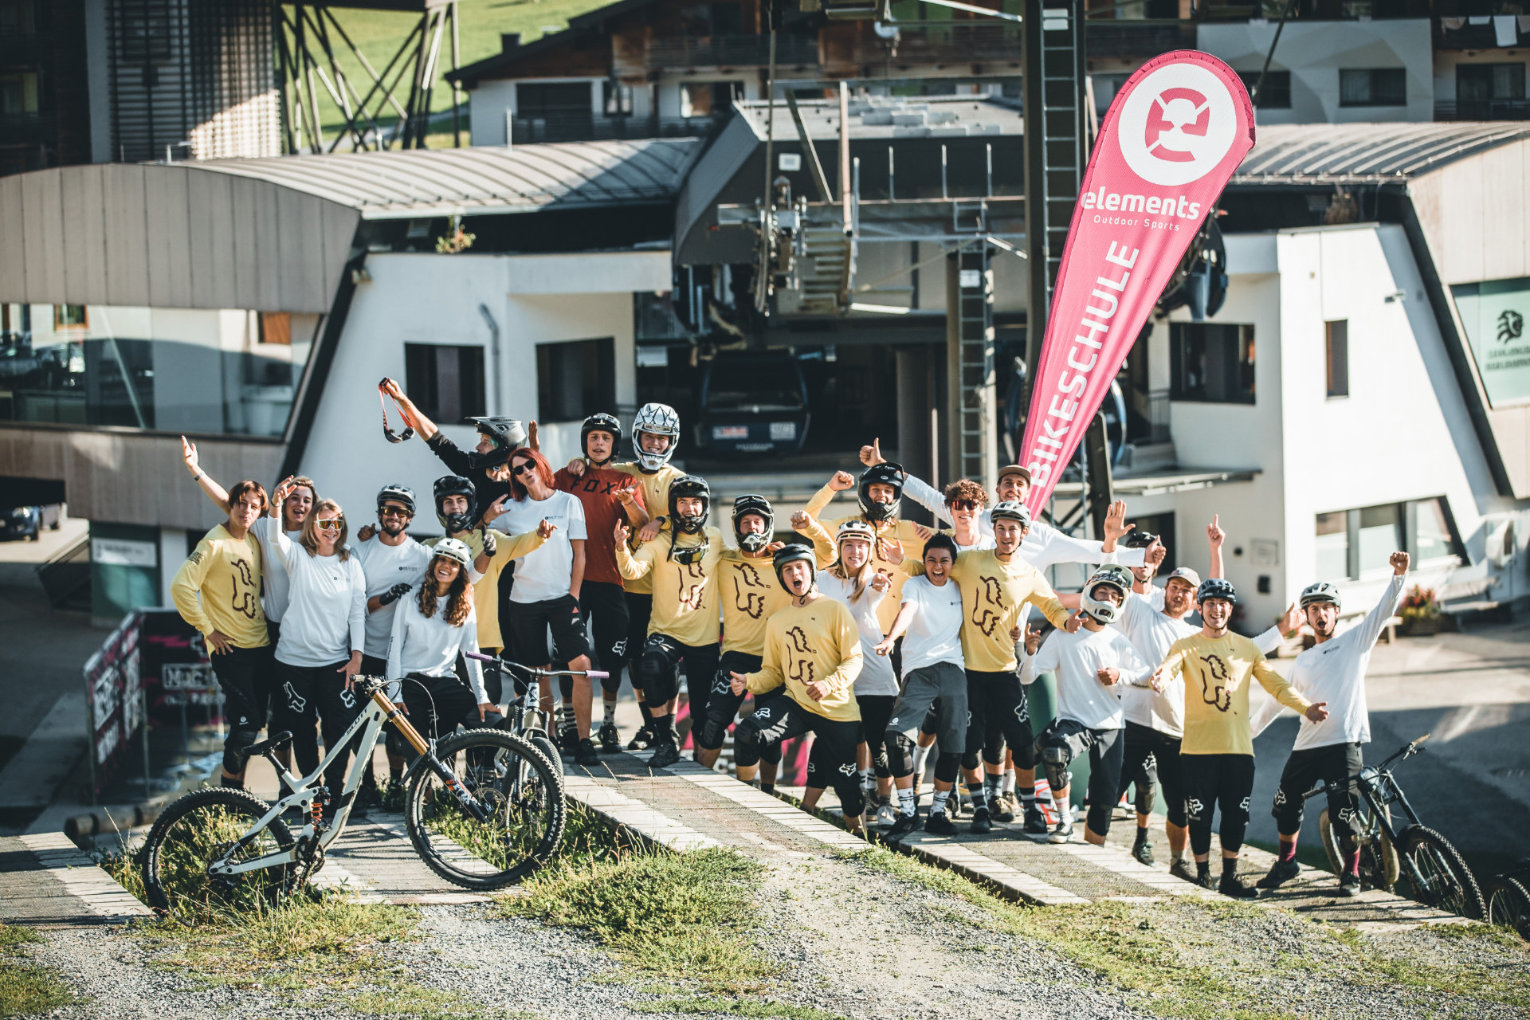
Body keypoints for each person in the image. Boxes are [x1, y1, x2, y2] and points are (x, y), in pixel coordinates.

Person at [1112, 519, 1293, 871]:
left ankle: (1178, 862)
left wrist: (1215, 550)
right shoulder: (1141, 610)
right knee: (1113, 791)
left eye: (1187, 590)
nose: (1178, 593)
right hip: (1133, 719)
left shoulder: (1198, 637)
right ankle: (1100, 852)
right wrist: (1140, 558)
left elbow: (1237, 627)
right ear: (1165, 589)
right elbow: (1135, 581)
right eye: (1174, 586)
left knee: (1179, 805)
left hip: (1177, 729)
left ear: (1197, 602)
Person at [1152, 577, 1328, 899]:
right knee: (1200, 816)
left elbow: (1276, 684)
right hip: (1197, 751)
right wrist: (1162, 678)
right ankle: (1203, 873)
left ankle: (1230, 877)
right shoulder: (1187, 645)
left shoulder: (1246, 648)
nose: (1216, 609)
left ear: (1230, 609)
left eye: (1223, 604)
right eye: (1210, 604)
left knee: (1236, 816)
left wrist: (1306, 708)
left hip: (1237, 751)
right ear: (1200, 608)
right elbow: (1170, 666)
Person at [1254, 551, 1410, 897]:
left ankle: (1350, 874)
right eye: (1314, 609)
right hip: (1307, 745)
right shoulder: (1302, 660)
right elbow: (1275, 701)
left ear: (1336, 612)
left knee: (1345, 814)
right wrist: (1245, 734)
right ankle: (1287, 863)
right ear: (1307, 617)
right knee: (1285, 804)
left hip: (1343, 742)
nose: (1320, 614)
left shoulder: (1355, 641)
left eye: (1326, 607)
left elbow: (1384, 609)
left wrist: (1398, 576)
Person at [947, 500, 1079, 835]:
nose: (1006, 534)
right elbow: (934, 568)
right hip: (969, 671)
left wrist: (1068, 622)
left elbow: (1051, 605)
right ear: (994, 530)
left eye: (1013, 528)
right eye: (1001, 527)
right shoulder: (970, 560)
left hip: (1006, 671)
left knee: (1021, 742)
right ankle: (979, 807)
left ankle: (1030, 808)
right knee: (970, 742)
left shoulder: (1029, 573)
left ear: (1023, 534)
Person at [696, 498, 835, 789]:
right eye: (745, 522)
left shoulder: (786, 563)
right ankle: (695, 792)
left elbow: (829, 554)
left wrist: (810, 526)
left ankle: (767, 793)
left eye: (757, 522)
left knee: (767, 734)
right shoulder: (724, 559)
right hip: (736, 655)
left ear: (769, 526)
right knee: (713, 723)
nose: (751, 527)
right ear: (736, 527)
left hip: (776, 660)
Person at [568, 402, 684, 749]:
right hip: (626, 582)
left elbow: (689, 517)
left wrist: (660, 520)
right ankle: (650, 725)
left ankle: (671, 725)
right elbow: (593, 471)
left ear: (671, 441)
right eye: (648, 437)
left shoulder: (677, 479)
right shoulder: (620, 471)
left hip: (663, 583)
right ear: (637, 437)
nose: (654, 444)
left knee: (665, 658)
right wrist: (578, 465)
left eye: (662, 439)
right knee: (632, 657)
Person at [728, 544, 867, 834]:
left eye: (799, 567)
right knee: (747, 732)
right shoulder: (778, 621)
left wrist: (828, 684)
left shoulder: (834, 609)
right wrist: (749, 681)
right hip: (797, 703)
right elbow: (773, 673)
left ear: (811, 570)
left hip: (838, 710)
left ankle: (862, 840)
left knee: (849, 795)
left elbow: (854, 659)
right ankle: (742, 803)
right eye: (787, 569)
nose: (794, 573)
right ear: (782, 578)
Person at [859, 441, 1149, 572]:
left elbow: (1091, 552)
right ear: (997, 490)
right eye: (1007, 482)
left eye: (1019, 484)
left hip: (1015, 633)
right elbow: (928, 495)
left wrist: (1142, 556)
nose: (1012, 487)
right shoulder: (972, 516)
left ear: (1027, 495)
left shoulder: (1042, 536)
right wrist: (884, 468)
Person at [1021, 565, 1153, 845]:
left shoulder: (1119, 641)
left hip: (1111, 727)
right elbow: (1028, 675)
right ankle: (1064, 821)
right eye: (1101, 591)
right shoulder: (1063, 634)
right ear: (1089, 594)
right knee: (1054, 754)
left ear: (1120, 603)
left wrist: (1120, 675)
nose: (1107, 599)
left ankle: (1095, 851)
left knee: (1105, 802)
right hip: (1074, 722)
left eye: (1114, 596)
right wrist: (1029, 652)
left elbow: (1145, 676)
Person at [482, 447, 596, 765]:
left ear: (541, 464)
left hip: (563, 598)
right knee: (538, 673)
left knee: (581, 668)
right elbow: (479, 536)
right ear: (514, 477)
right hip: (524, 600)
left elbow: (580, 554)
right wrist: (487, 518)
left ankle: (585, 741)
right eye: (517, 469)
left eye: (529, 464)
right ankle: (550, 739)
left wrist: (573, 594)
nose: (525, 471)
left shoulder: (568, 502)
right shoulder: (512, 509)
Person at [264, 484, 367, 804]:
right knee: (302, 728)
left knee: (339, 727)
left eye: (337, 523)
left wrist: (357, 657)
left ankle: (335, 790)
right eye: (325, 523)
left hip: (335, 663)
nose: (331, 529)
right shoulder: (297, 556)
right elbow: (274, 538)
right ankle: (311, 792)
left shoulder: (350, 562)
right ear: (313, 526)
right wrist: (275, 507)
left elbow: (357, 614)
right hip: (293, 662)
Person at [554, 414, 649, 753]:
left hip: (612, 580)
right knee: (569, 657)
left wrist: (628, 504)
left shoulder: (626, 479)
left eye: (605, 439)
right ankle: (568, 724)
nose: (598, 443)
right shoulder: (568, 475)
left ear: (613, 444)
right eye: (593, 437)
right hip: (570, 581)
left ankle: (608, 725)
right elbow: (538, 494)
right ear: (585, 443)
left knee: (612, 660)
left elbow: (643, 523)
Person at [169, 480, 271, 790]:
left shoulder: (253, 540)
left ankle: (236, 793)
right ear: (231, 504)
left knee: (255, 726)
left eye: (254, 506)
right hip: (231, 651)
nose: (247, 510)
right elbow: (181, 587)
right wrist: (208, 629)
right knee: (244, 725)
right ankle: (229, 796)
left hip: (261, 645)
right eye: (242, 503)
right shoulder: (213, 543)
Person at [614, 474, 721, 769]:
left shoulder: (716, 538)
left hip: (705, 637)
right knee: (650, 665)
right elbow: (633, 572)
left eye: (696, 502)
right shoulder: (659, 541)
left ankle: (702, 771)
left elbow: (741, 561)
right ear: (673, 507)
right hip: (666, 631)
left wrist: (770, 557)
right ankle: (665, 740)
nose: (689, 509)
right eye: (683, 502)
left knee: (702, 713)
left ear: (705, 506)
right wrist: (622, 547)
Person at [800, 516, 903, 820]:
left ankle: (884, 801)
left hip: (874, 677)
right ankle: (807, 806)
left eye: (862, 545)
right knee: (828, 741)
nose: (855, 550)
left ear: (869, 550)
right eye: (849, 545)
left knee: (879, 742)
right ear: (840, 547)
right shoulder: (821, 579)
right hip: (837, 679)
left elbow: (875, 589)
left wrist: (880, 583)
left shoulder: (873, 579)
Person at [876, 533, 967, 836]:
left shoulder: (961, 586)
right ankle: (908, 811)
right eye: (931, 560)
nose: (937, 566)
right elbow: (907, 611)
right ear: (924, 562)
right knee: (896, 738)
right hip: (919, 670)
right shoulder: (915, 584)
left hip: (954, 668)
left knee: (953, 745)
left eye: (944, 561)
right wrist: (891, 638)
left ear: (953, 563)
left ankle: (938, 812)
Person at [181, 437, 314, 644]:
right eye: (294, 498)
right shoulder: (266, 528)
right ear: (284, 500)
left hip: (309, 627)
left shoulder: (317, 535)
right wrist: (195, 470)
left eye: (307, 500)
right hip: (274, 628)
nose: (301, 504)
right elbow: (228, 504)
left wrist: (369, 534)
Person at [352, 484, 434, 800]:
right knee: (364, 726)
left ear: (410, 517)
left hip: (403, 655)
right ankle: (367, 784)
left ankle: (398, 785)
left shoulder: (422, 555)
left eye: (401, 511)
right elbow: (353, 606)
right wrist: (383, 599)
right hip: (369, 650)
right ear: (379, 514)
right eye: (388, 509)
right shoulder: (361, 551)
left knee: (399, 728)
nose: (394, 515)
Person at [386, 538, 506, 748]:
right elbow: (394, 649)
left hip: (445, 680)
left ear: (460, 571)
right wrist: (394, 693)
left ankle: (480, 775)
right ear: (433, 564)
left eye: (453, 563)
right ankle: (420, 781)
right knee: (417, 747)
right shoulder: (410, 598)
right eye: (441, 560)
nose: (446, 566)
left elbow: (472, 653)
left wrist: (481, 696)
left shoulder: (465, 605)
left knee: (491, 723)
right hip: (411, 682)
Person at [798, 462, 925, 637]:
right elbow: (803, 524)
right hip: (860, 634)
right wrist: (830, 489)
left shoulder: (912, 530)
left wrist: (933, 538)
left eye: (888, 491)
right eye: (876, 490)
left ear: (896, 495)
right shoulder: (848, 527)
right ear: (865, 492)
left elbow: (957, 541)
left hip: (905, 635)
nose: (882, 495)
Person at [379, 378, 530, 509]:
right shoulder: (473, 471)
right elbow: (436, 440)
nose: (477, 447)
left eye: (485, 442)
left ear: (503, 448)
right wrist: (402, 399)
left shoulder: (525, 486)